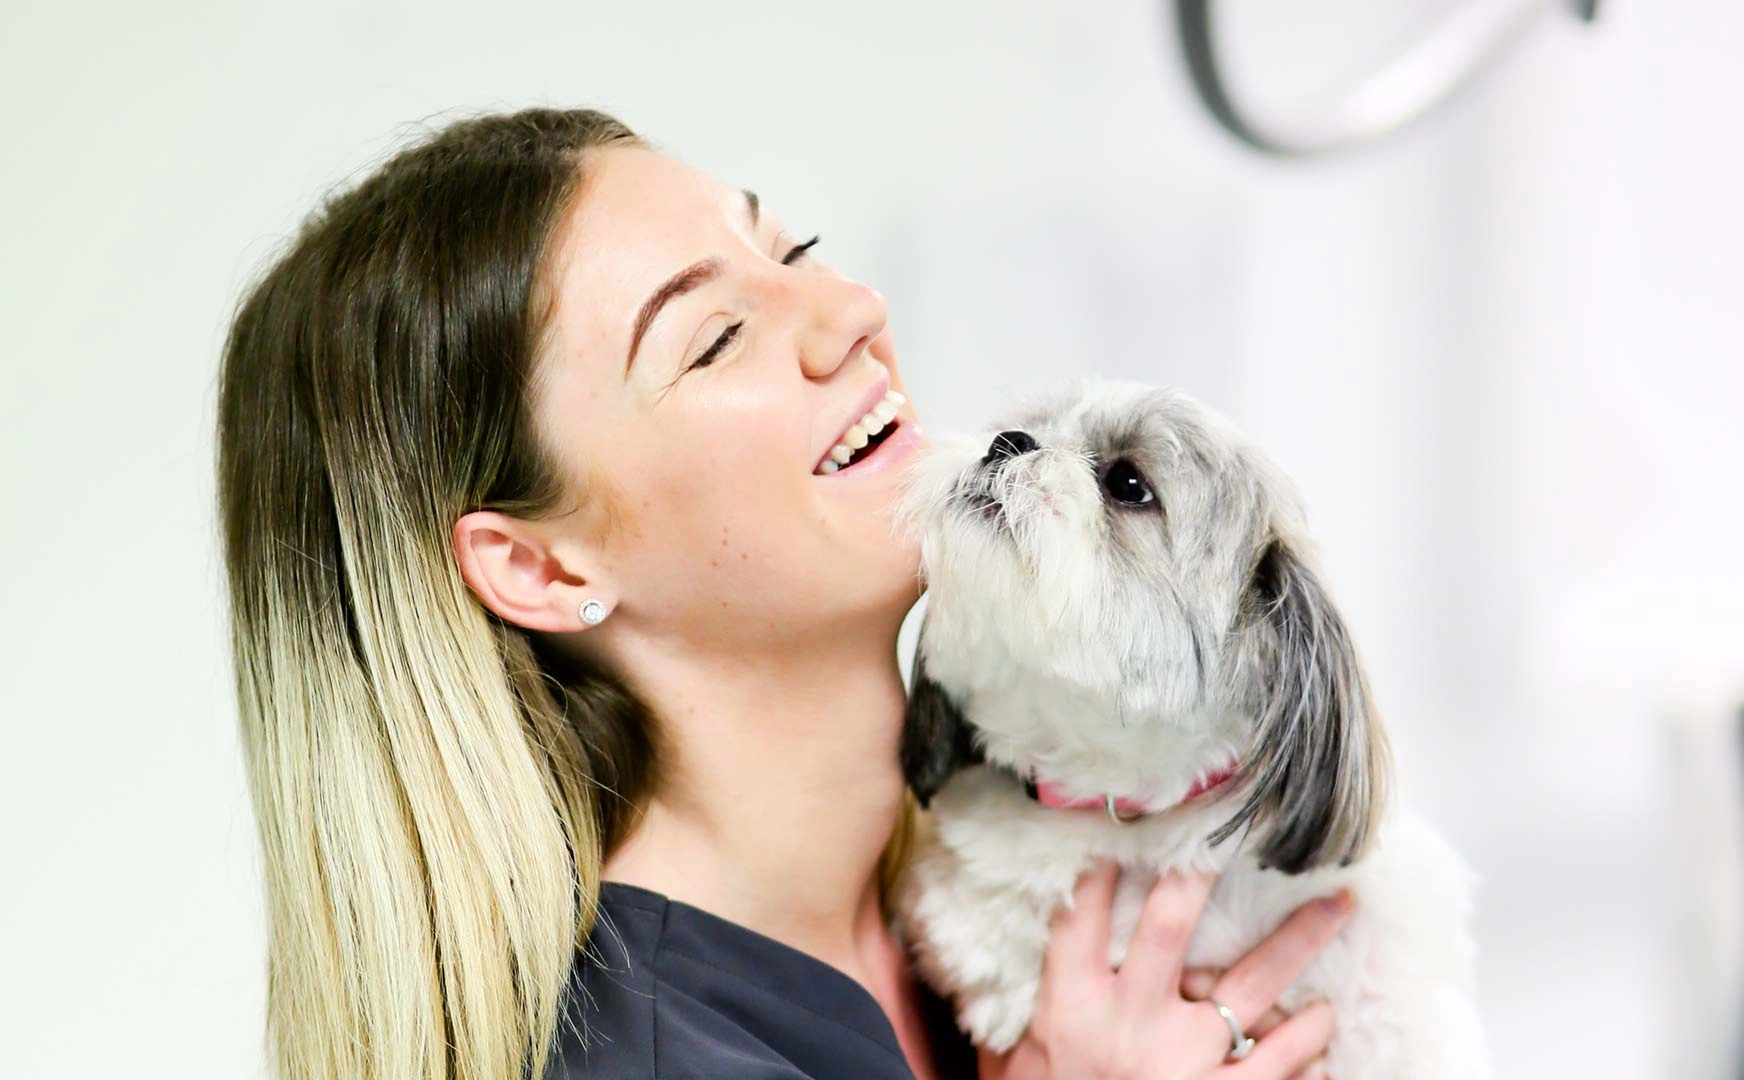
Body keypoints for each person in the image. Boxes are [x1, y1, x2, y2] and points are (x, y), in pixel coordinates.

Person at [214, 105, 1355, 1080]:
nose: (851, 308)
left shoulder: (1009, 893)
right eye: (714, 340)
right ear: (544, 569)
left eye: (794, 249)